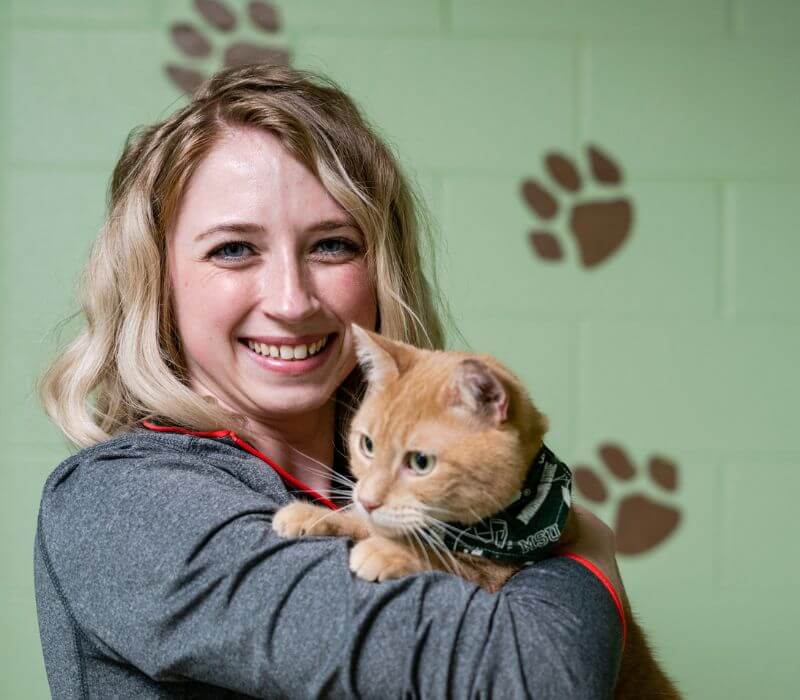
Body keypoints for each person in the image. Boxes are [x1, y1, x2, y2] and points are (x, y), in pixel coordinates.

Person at [34, 63, 632, 698]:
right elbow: (537, 680)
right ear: (156, 280)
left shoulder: (413, 481)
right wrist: (582, 550)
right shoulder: (122, 502)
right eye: (234, 249)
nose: (292, 302)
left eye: (332, 246)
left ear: (382, 270)